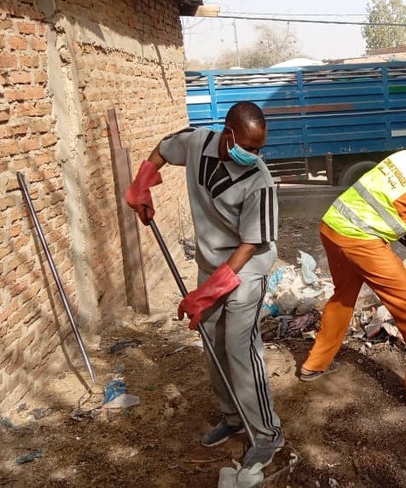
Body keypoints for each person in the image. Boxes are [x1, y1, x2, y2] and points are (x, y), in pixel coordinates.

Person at [124, 101, 283, 468]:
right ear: (228, 134)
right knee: (212, 340)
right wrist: (141, 184)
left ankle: (266, 433)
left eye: (260, 148)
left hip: (247, 266)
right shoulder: (198, 142)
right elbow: (163, 149)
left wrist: (206, 293)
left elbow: (251, 244)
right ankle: (231, 418)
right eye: (248, 146)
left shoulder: (259, 180)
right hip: (212, 263)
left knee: (239, 346)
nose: (255, 154)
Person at [299, 135, 406, 409]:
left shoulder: (404, 158)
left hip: (333, 227)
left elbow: (382, 199)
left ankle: (314, 365)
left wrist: (405, 236)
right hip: (361, 241)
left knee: (344, 296)